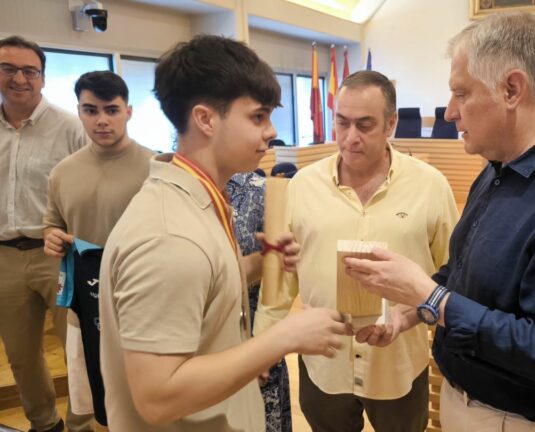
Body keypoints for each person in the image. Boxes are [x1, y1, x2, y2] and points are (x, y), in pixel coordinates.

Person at [344, 13, 535, 431]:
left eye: (461, 93)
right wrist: (409, 311)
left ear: (511, 89)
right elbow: (463, 274)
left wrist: (431, 298)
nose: (449, 112)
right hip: (466, 401)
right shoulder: (497, 165)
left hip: (519, 420)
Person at [98, 35, 349, 431]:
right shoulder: (170, 238)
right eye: (258, 117)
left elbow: (202, 289)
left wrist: (255, 264)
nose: (271, 132)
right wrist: (282, 337)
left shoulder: (196, 202)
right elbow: (158, 396)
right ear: (206, 119)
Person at [255, 70, 459, 432]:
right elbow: (281, 279)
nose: (350, 138)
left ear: (391, 123)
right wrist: (263, 345)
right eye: (342, 123)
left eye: (365, 125)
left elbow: (452, 274)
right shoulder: (302, 186)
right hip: (323, 362)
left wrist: (409, 315)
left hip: (398, 365)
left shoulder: (430, 186)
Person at [42, 70, 157, 426]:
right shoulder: (63, 172)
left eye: (111, 109)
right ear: (79, 111)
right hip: (85, 307)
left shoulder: (157, 168)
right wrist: (52, 236)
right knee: (92, 396)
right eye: (91, 110)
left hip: (146, 303)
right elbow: (53, 224)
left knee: (146, 399)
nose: (101, 120)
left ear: (129, 111)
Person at [0, 35, 90, 432]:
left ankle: (83, 422)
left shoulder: (70, 128)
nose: (19, 78)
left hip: (57, 255)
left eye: (29, 70)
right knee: (21, 354)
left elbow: (91, 184)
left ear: (42, 78)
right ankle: (45, 424)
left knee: (76, 348)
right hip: (4, 256)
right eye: (8, 69)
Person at [226, 171, 293, 432]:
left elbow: (277, 285)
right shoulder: (168, 191)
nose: (267, 133)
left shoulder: (262, 190)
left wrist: (265, 346)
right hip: (194, 353)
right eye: (257, 125)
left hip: (257, 349)